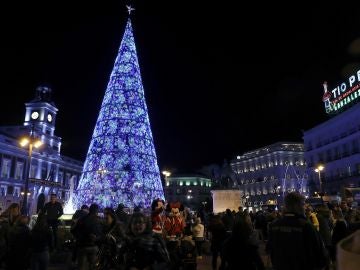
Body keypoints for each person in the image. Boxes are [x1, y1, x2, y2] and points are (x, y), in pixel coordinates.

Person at [267, 192, 329, 270]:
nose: (305, 207)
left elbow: (270, 249)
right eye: (303, 204)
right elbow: (320, 253)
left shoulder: (274, 225)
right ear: (297, 206)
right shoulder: (305, 226)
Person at [71, 203, 103, 270]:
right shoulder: (100, 220)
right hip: (94, 246)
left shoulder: (82, 219)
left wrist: (79, 238)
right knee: (92, 266)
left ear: (89, 210)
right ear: (97, 211)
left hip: (82, 246)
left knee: (81, 266)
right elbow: (102, 233)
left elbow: (73, 231)